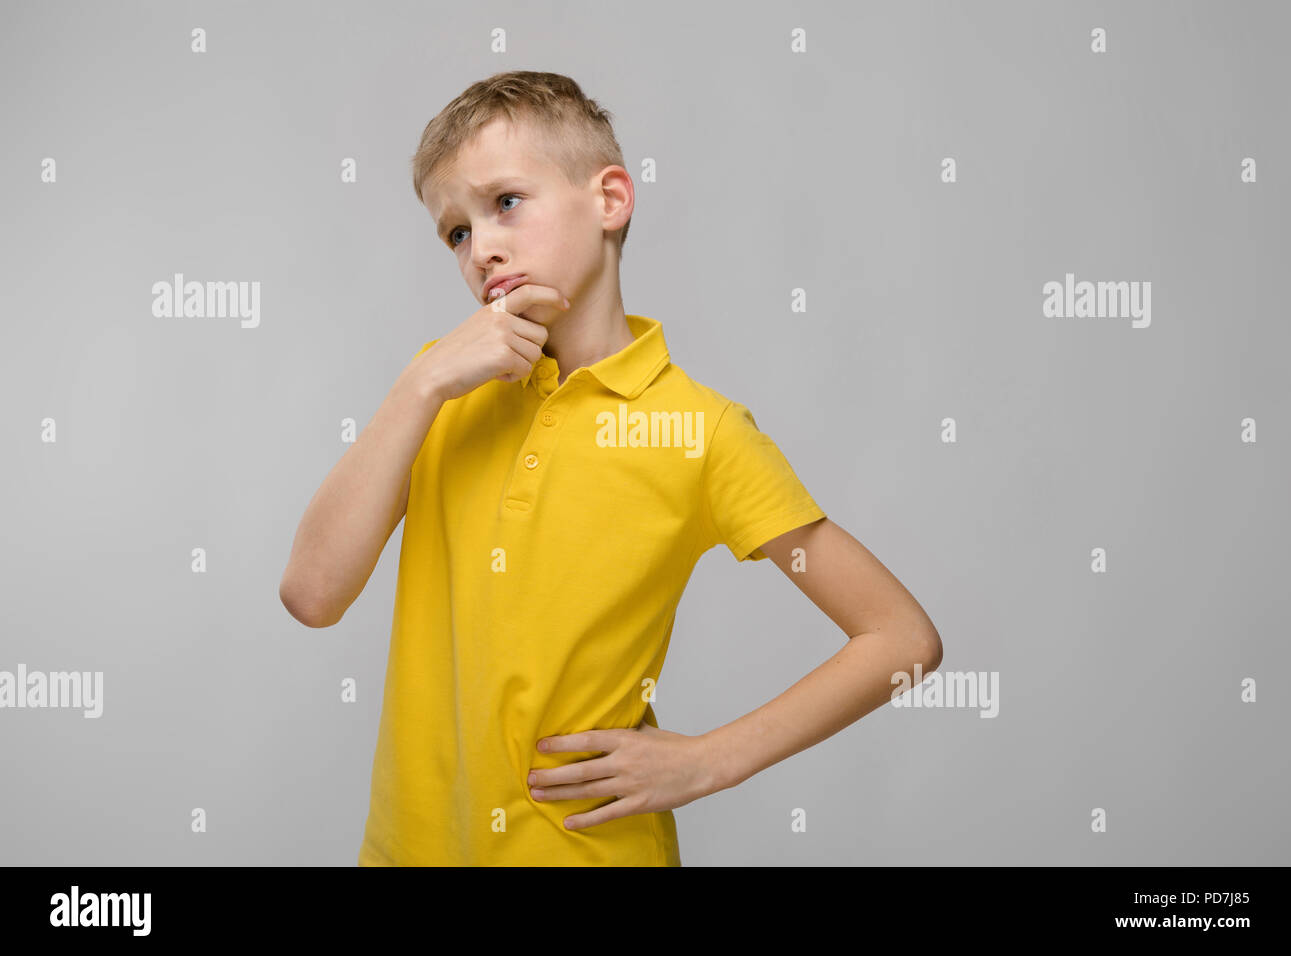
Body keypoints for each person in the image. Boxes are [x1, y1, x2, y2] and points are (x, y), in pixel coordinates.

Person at [278, 70, 943, 866]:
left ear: (611, 200)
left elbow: (901, 637)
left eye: (506, 203)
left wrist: (712, 761)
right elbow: (313, 595)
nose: (481, 246)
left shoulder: (702, 431)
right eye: (455, 232)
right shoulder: (439, 389)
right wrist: (420, 384)